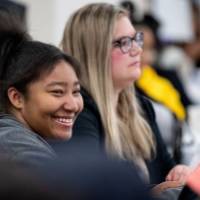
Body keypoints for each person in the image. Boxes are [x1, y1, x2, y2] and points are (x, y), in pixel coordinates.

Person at [60, 2, 191, 186]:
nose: (138, 49)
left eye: (136, 39)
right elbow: (91, 189)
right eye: (124, 42)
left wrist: (179, 173)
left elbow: (167, 170)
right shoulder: (79, 114)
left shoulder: (142, 108)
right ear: (94, 51)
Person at [0, 11, 83, 167]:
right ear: (17, 98)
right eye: (57, 92)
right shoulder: (19, 148)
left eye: (76, 92)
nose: (72, 105)